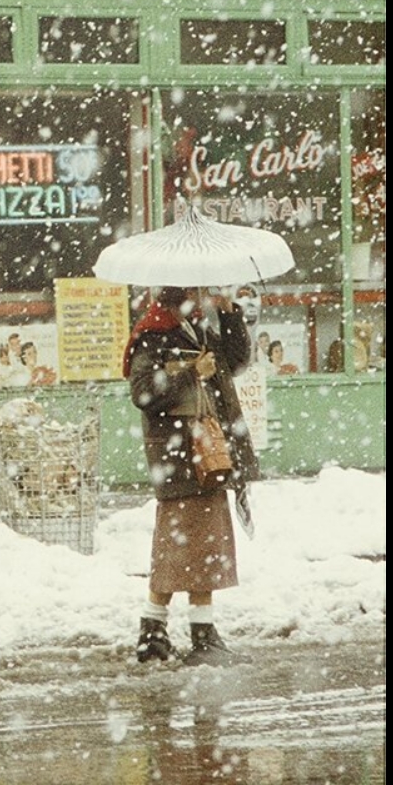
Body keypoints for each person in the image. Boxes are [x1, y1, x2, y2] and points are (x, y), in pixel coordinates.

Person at [124, 285, 259, 666]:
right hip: (182, 455)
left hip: (203, 452)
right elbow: (143, 393)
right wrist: (191, 373)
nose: (204, 295)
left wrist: (229, 313)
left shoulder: (194, 327)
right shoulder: (152, 334)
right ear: (181, 293)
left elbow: (235, 361)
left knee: (185, 549)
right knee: (195, 548)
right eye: (198, 291)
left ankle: (154, 632)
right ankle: (201, 636)